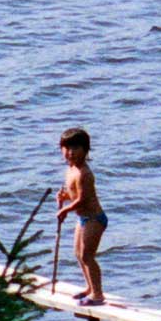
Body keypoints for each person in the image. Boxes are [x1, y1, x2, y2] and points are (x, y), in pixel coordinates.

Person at [54, 127, 108, 306]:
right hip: (82, 219)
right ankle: (89, 288)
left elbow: (83, 199)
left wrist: (65, 210)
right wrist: (64, 197)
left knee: (87, 255)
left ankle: (98, 295)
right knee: (78, 253)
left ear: (85, 150)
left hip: (94, 219)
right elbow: (74, 194)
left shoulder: (84, 173)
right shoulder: (70, 170)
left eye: (75, 149)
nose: (70, 153)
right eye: (67, 149)